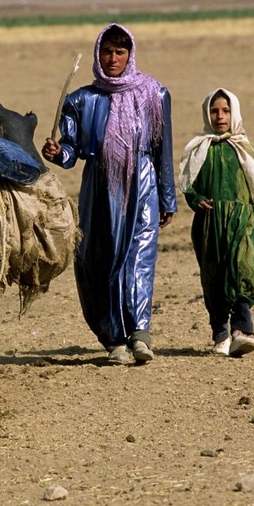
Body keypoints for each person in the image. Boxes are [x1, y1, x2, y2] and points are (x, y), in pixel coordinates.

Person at [42, 23, 176, 364]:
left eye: (120, 52)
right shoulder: (82, 100)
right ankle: (114, 339)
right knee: (97, 262)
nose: (113, 58)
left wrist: (167, 197)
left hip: (142, 187)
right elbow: (73, 152)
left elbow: (163, 150)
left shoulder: (154, 95)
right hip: (99, 191)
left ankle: (140, 335)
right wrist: (59, 154)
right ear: (97, 54)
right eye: (107, 52)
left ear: (130, 55)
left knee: (138, 259)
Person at [178, 88, 254, 357]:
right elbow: (187, 184)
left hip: (242, 222)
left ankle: (242, 331)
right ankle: (220, 334)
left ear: (234, 113)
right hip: (209, 225)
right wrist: (195, 200)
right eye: (215, 111)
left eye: (226, 111)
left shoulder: (244, 147)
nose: (220, 116)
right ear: (207, 114)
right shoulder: (199, 148)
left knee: (243, 272)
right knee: (214, 277)